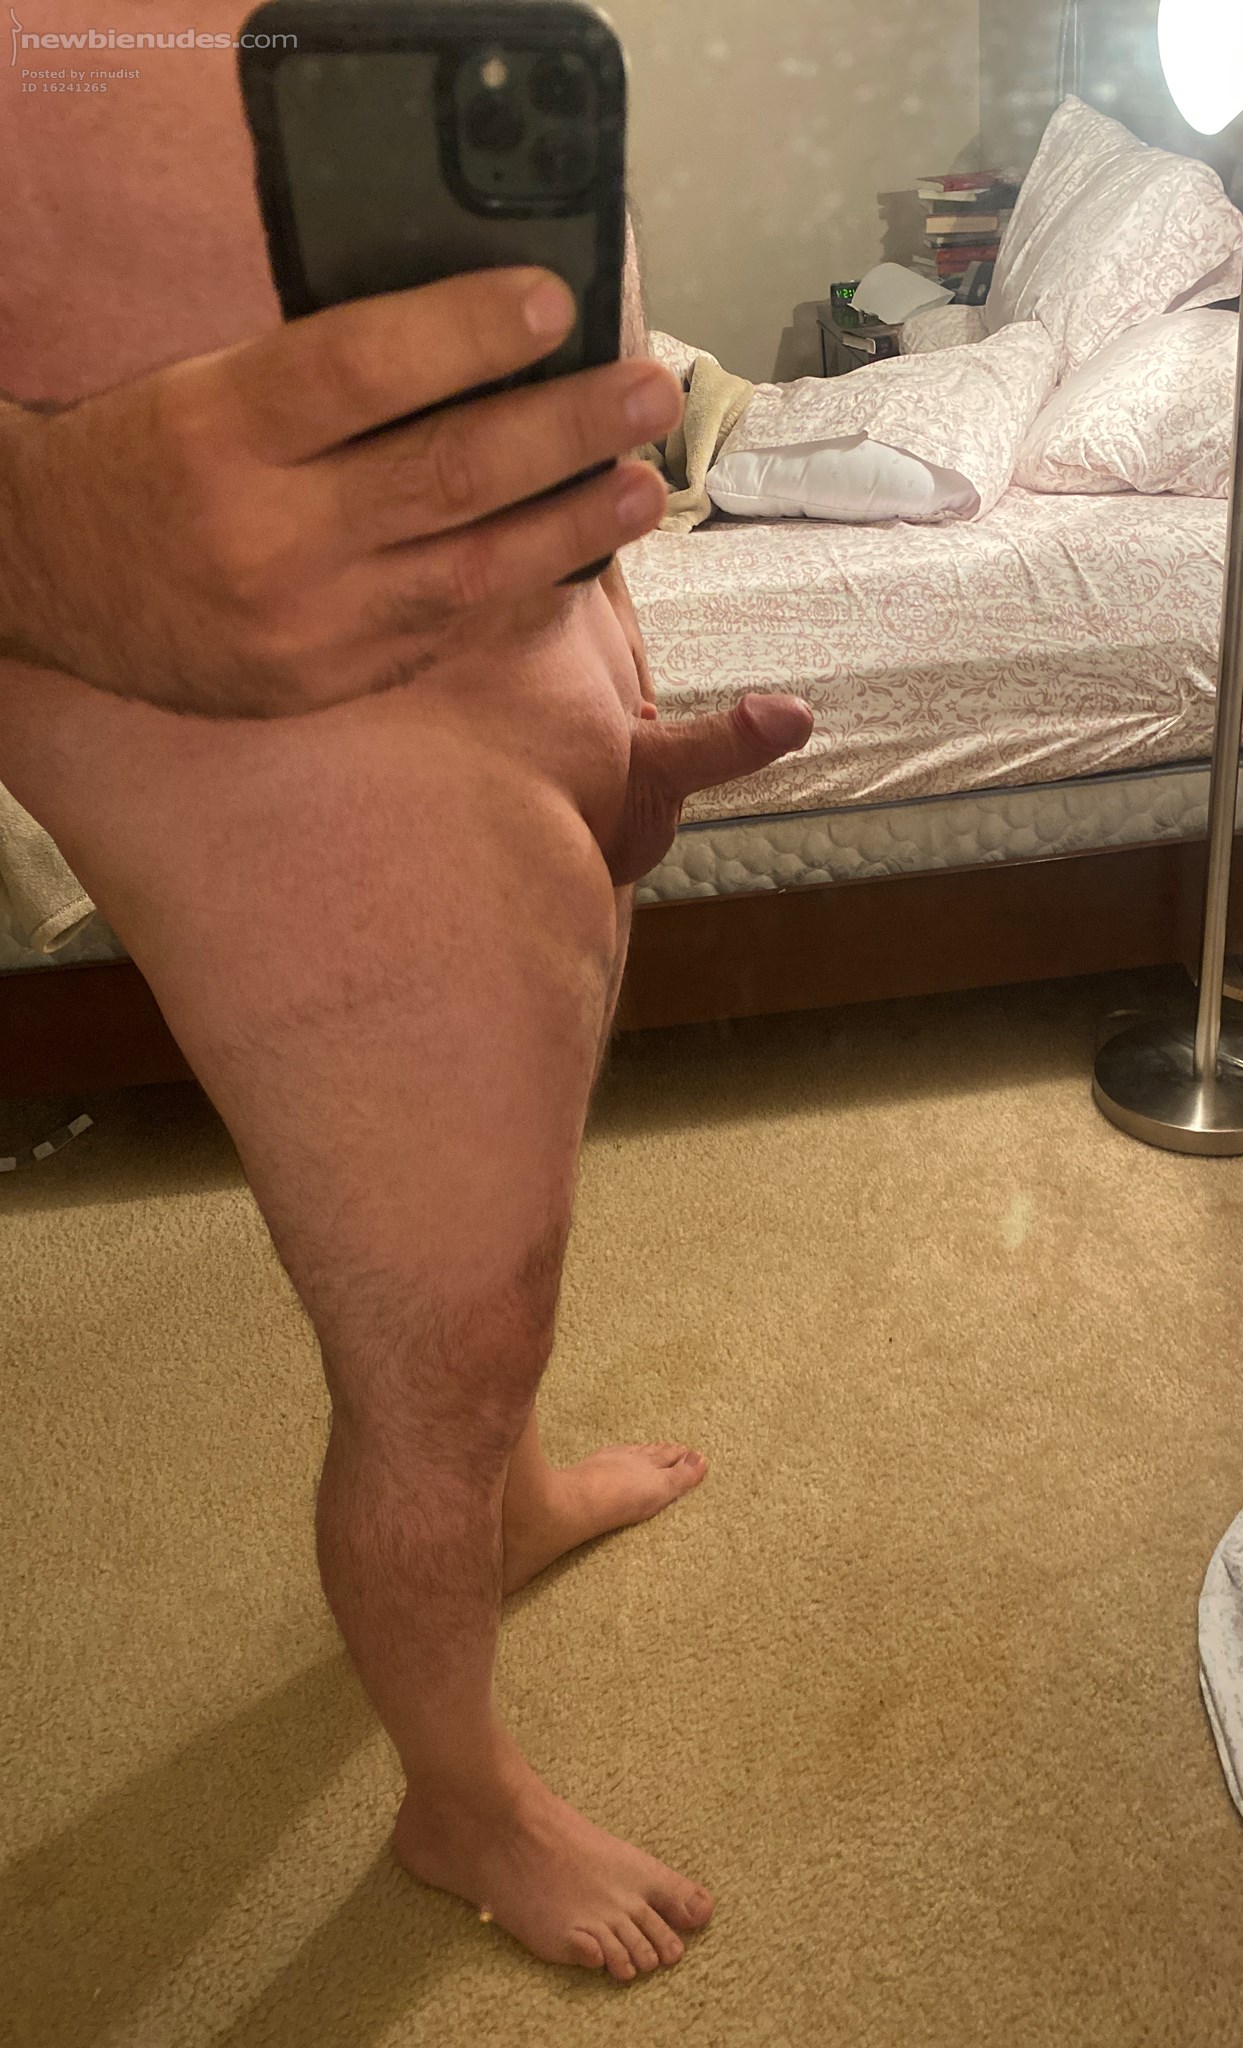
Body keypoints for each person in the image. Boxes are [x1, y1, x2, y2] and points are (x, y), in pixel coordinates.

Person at [0, 16, 812, 1984]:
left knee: (503, 1245)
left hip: (531, 633)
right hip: (260, 704)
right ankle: (462, 1803)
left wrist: (599, 638)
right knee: (438, 1351)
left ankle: (505, 1504)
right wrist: (32, 529)